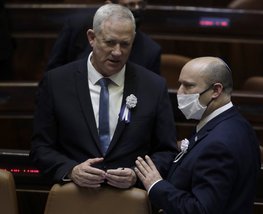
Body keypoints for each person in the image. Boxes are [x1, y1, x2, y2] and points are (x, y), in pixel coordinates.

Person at [30, 4, 177, 189]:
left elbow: (167, 151)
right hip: (75, 196)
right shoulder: (56, 82)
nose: (117, 52)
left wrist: (136, 175)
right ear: (92, 37)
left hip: (129, 199)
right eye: (110, 42)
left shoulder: (153, 86)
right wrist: (71, 170)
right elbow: (40, 148)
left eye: (125, 44)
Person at [135, 57, 261, 214]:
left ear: (216, 90)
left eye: (188, 86)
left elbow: (201, 210)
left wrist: (156, 185)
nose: (180, 92)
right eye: (180, 84)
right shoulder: (235, 123)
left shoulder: (218, 145)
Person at [46, 0, 162, 75]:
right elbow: (51, 76)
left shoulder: (151, 50)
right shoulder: (77, 27)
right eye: (130, 5)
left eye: (141, 5)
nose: (136, 10)